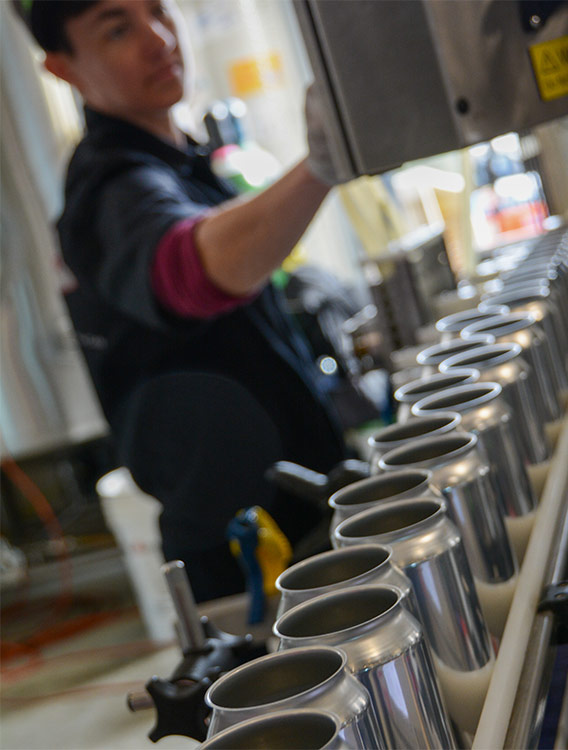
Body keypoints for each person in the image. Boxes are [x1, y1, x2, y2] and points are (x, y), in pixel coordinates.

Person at [14, 0, 351, 601]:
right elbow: (190, 271)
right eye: (118, 30)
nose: (158, 39)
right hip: (250, 558)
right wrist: (322, 166)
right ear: (62, 69)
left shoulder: (182, 161)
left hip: (299, 511)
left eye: (158, 12)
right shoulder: (111, 186)